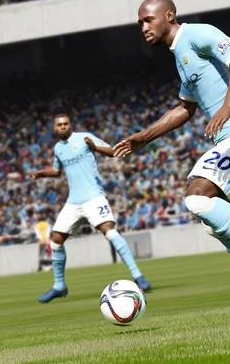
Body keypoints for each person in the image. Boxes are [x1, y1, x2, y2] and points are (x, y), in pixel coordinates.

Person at [113, 0, 230, 315]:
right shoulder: (180, 55)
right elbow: (185, 109)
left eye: (148, 19)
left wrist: (226, 108)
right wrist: (142, 138)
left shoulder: (197, 34)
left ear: (169, 15)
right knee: (213, 220)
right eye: (139, 23)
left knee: (197, 195)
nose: (143, 27)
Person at [31, 114, 151, 303]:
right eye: (59, 125)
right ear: (55, 128)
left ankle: (138, 276)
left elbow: (112, 152)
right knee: (55, 240)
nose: (63, 127)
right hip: (73, 201)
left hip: (94, 197)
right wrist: (42, 173)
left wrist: (95, 147)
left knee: (109, 231)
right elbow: (57, 171)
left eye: (65, 124)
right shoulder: (58, 148)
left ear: (70, 125)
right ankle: (59, 286)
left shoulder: (84, 138)